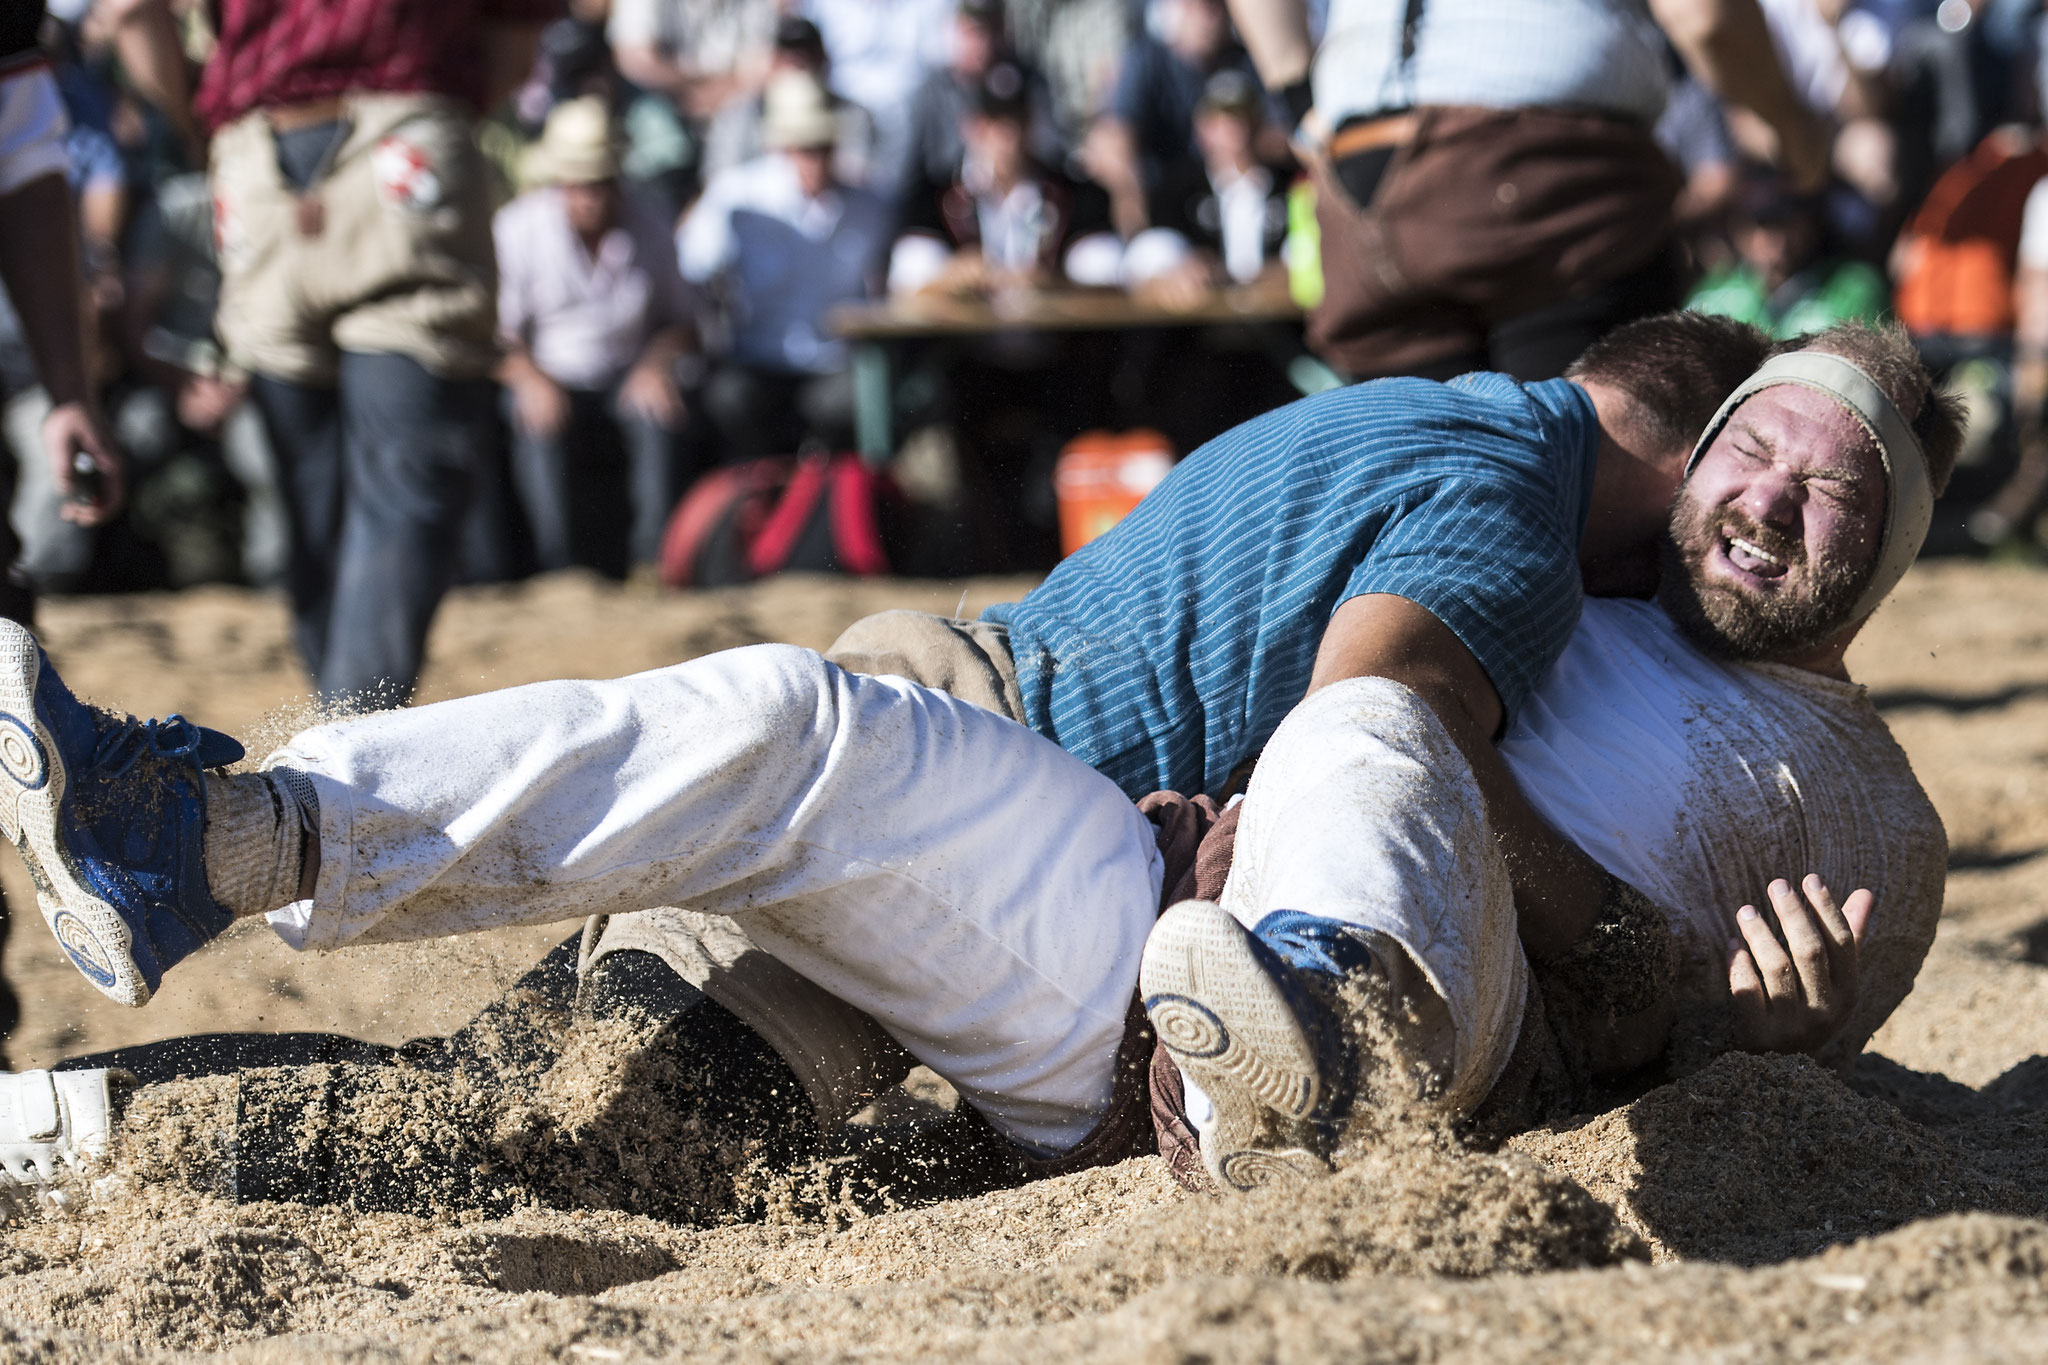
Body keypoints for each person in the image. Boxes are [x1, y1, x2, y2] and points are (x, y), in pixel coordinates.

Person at [0, 329, 1954, 1204]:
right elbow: (1411, 695)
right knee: (628, 1021)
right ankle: (200, 859)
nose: (1773, 506)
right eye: (1757, 454)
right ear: (1690, 446)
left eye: (1832, 503)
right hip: (1095, 871)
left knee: (1365, 721)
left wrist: (1730, 1018)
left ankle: (1313, 1054)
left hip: (1232, 976)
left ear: (1881, 570)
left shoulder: (1864, 803)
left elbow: (1723, 1043)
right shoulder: (1549, 549)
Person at [105, 0, 563, 705]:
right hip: (404, 148)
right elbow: (513, 42)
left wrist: (209, 124)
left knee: (308, 492)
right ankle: (354, 736)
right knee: (405, 482)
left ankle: (341, 723)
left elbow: (131, 13)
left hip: (254, 164)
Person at [1220, 0, 1832, 381]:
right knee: (1591, 511)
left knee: (1424, 514)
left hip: (1359, 181)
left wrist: (1300, 96)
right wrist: (1790, 127)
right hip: (1542, 175)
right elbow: (1704, 16)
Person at [495, 97, 697, 577]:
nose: (589, 195)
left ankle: (654, 563)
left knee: (658, 411)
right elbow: (497, 336)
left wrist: (654, 366)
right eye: (578, 183)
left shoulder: (654, 225)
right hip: (548, 372)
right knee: (533, 420)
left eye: (600, 182)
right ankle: (556, 567)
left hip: (626, 374)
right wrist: (528, 377)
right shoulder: (518, 227)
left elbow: (683, 322)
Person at [680, 71, 893, 459]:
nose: (816, 157)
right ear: (782, 147)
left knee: (873, 400)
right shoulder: (736, 194)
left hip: (832, 363)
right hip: (756, 360)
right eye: (805, 146)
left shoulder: (870, 203)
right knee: (728, 400)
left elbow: (893, 277)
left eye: (824, 145)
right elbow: (690, 268)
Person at [888, 63, 1119, 297]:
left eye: (1018, 119)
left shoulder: (1079, 196)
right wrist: (950, 279)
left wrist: (1052, 283)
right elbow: (904, 290)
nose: (1009, 134)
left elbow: (1108, 282)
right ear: (971, 127)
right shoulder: (932, 199)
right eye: (994, 122)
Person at [1120, 68, 1292, 306]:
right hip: (1201, 327)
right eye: (1222, 122)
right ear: (1202, 129)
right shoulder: (1177, 189)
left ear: (1260, 123)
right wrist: (1180, 266)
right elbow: (1149, 254)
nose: (1235, 132)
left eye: (1243, 119)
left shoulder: (1289, 185)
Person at [899, 0, 1061, 196]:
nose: (984, 42)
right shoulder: (933, 91)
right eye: (974, 32)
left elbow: (1051, 152)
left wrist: (1005, 145)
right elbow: (914, 171)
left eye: (993, 30)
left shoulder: (1028, 82)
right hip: (948, 208)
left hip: (1023, 198)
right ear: (957, 28)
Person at [700, 16, 881, 189]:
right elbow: (718, 185)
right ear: (773, 61)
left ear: (824, 59)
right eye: (788, 56)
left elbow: (866, 182)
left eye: (808, 54)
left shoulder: (853, 115)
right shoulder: (739, 116)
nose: (798, 63)